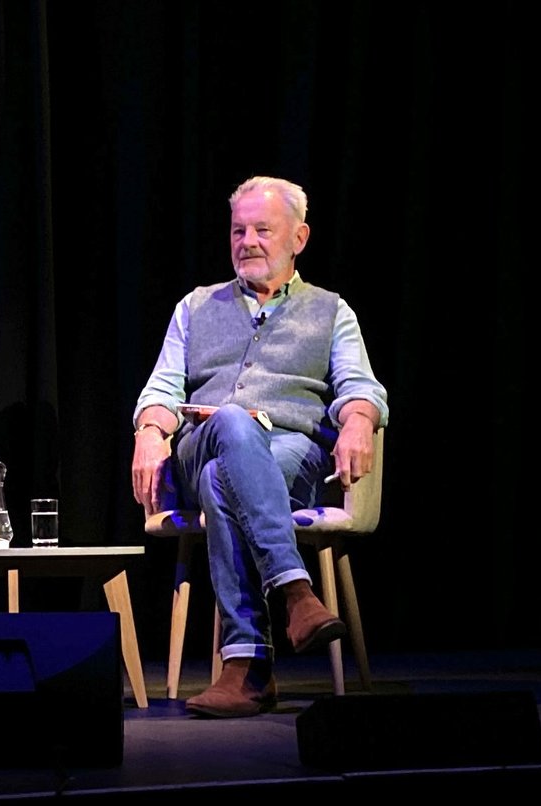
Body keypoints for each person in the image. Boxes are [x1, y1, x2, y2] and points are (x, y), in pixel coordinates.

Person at [130, 176, 388, 718]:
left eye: (262, 230)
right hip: (202, 440)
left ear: (299, 237)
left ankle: (247, 665)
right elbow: (160, 390)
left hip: (290, 456)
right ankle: (296, 592)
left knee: (221, 481)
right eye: (238, 230)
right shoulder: (195, 307)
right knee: (228, 425)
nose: (247, 240)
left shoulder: (332, 311)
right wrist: (152, 430)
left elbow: (360, 387)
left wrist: (361, 419)